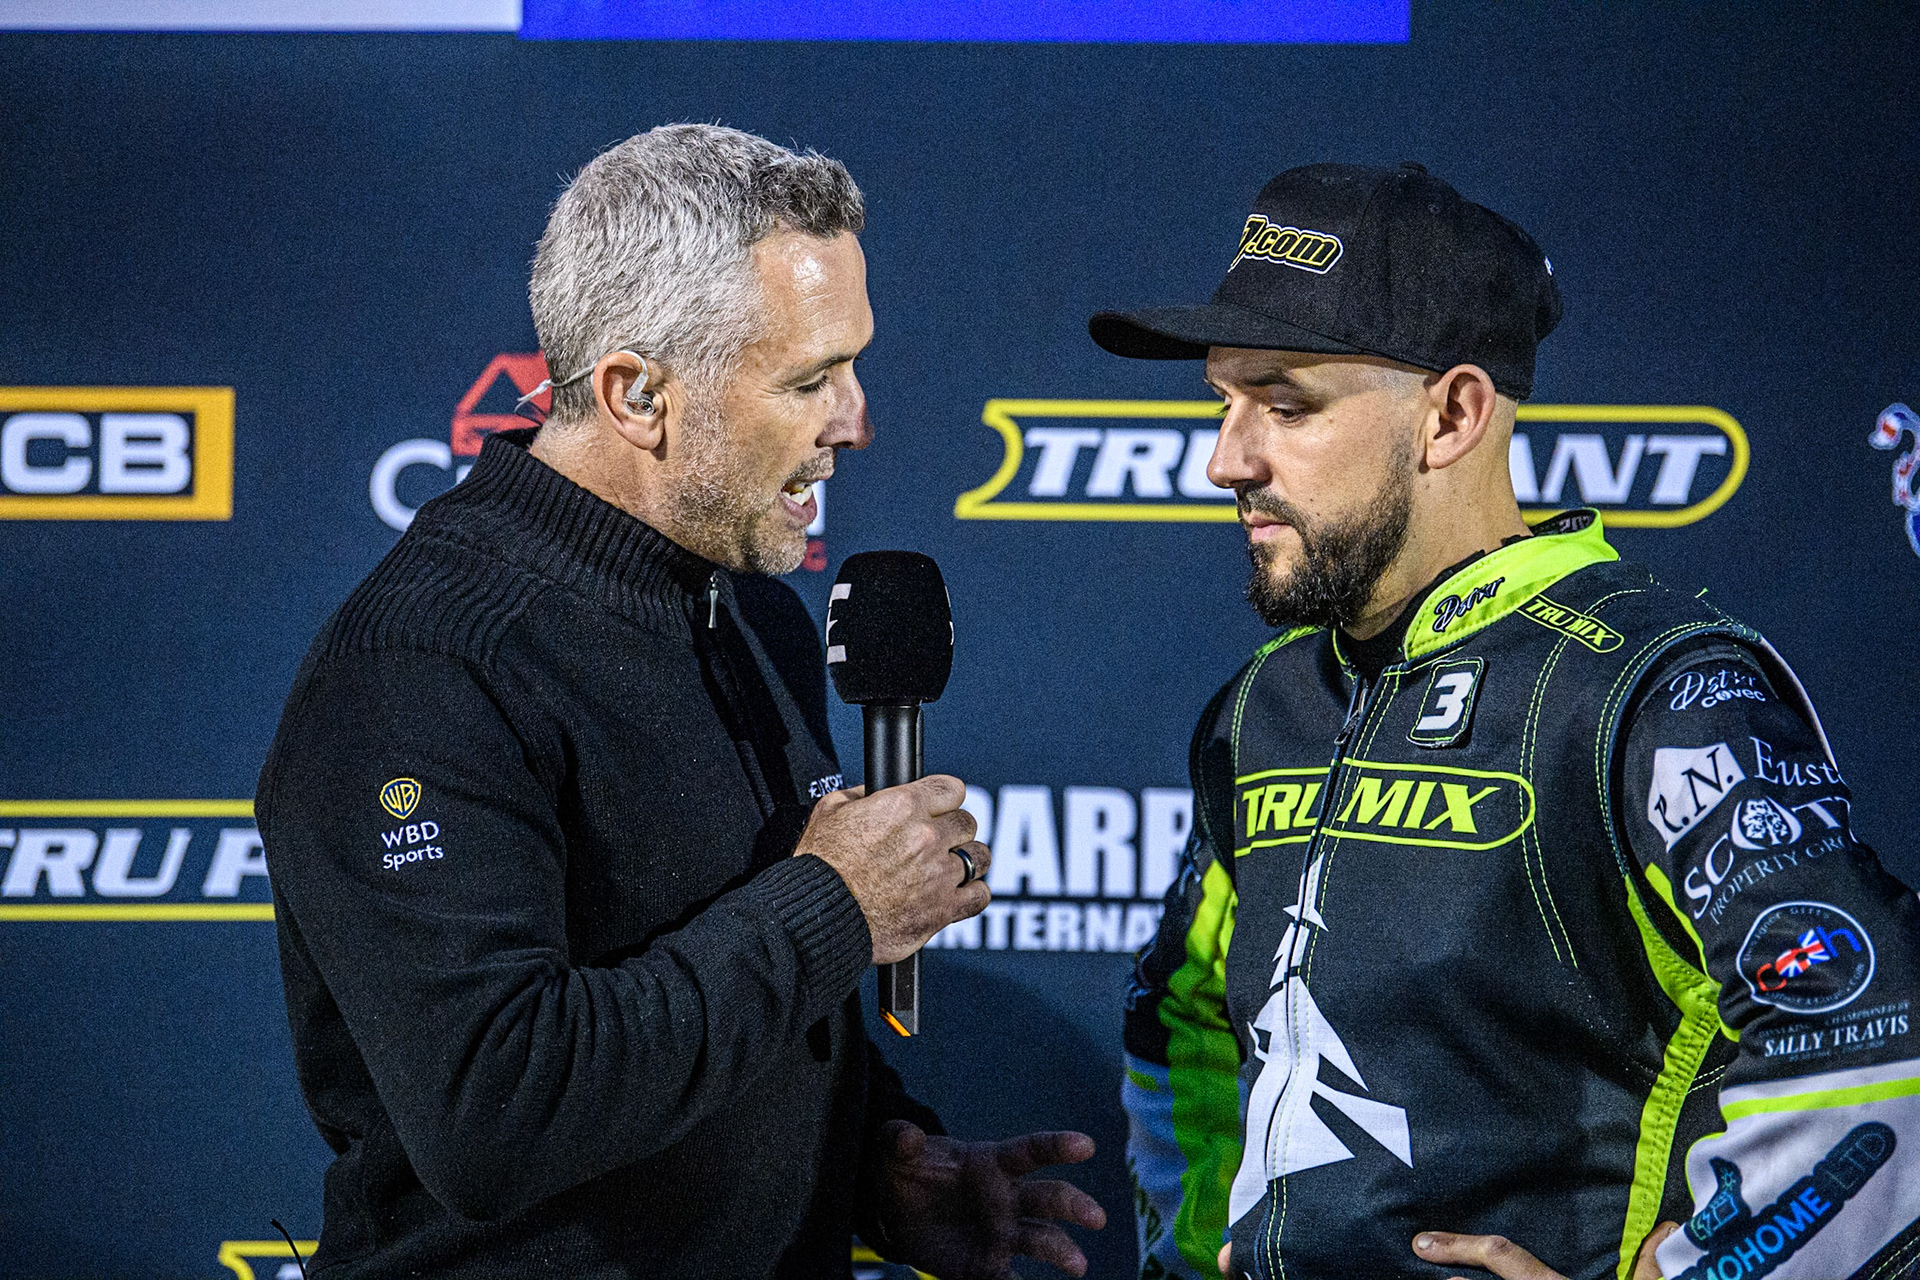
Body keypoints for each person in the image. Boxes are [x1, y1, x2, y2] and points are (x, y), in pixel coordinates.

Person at [259, 124, 1104, 1279]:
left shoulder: (751, 610)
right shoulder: (420, 667)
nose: (856, 419)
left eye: (852, 365)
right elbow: (496, 1109)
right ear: (638, 393)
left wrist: (870, 1163)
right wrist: (834, 903)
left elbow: (710, 990)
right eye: (809, 379)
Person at [1098, 163, 1920, 1280]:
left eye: (1285, 405)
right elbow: (1179, 1021)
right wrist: (1198, 1255)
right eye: (1224, 401)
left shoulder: (1653, 685)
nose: (1225, 459)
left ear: (1454, 413)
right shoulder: (1265, 705)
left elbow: (1869, 1049)